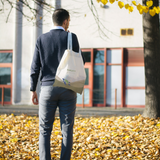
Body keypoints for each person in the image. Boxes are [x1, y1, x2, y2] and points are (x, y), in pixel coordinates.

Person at [30, 8, 85, 160]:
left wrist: (32, 89)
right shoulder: (71, 37)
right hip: (68, 87)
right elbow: (81, 62)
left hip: (47, 88)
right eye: (69, 22)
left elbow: (35, 66)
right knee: (67, 129)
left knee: (45, 130)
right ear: (65, 21)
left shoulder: (41, 39)